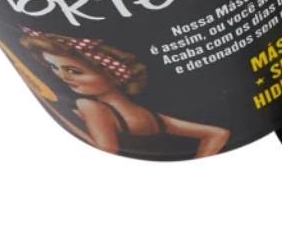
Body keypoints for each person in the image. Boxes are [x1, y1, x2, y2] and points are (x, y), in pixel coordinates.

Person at [20, 29, 230, 158]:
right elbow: (218, 133)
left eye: (75, 71)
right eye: (53, 67)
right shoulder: (151, 117)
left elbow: (106, 150)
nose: (62, 77)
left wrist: (57, 113)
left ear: (111, 73)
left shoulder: (90, 106)